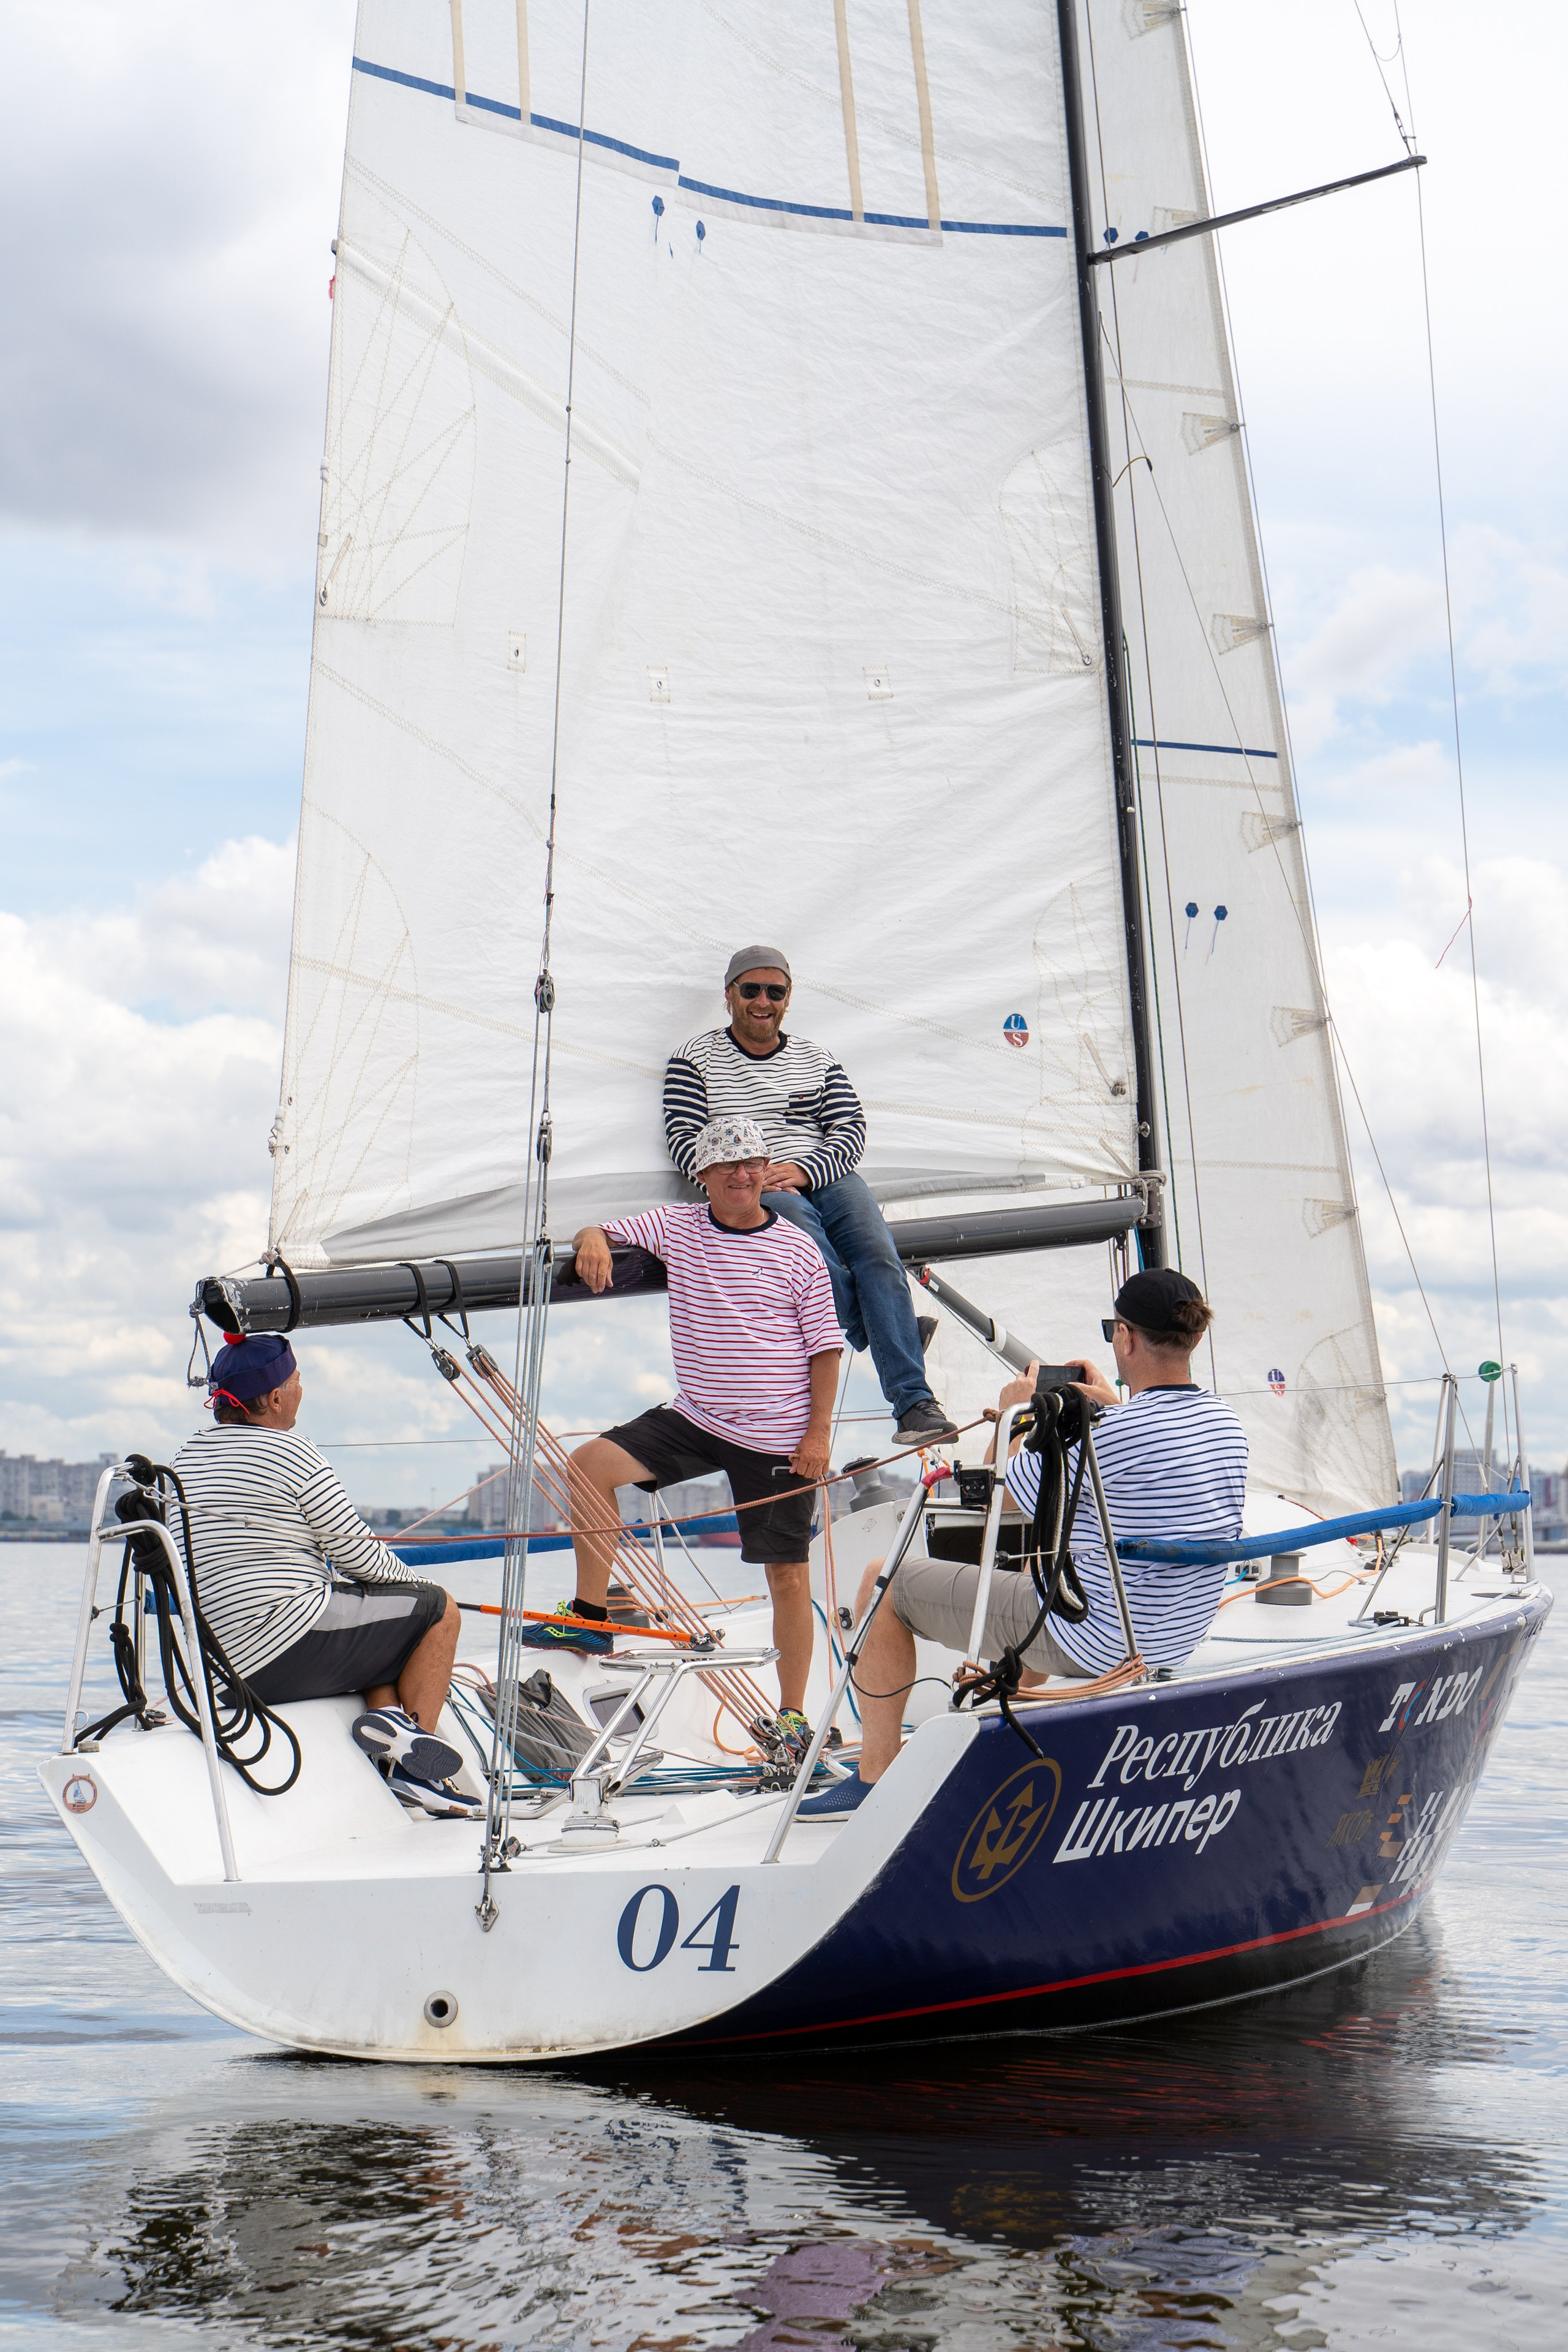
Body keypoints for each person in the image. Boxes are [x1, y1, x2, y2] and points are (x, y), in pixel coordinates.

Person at [799, 1268, 1248, 1814]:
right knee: (1037, 1580)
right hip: (1175, 1634)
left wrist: (1012, 1412)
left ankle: (873, 1779)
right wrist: (1107, 1403)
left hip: (1102, 1641)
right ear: (1193, 1338)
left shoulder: (1113, 1433)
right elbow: (1147, 1452)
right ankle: (998, 1745)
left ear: (1125, 1338)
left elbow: (996, 1498)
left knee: (883, 1581)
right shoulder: (1225, 1423)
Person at [534, 1115, 843, 1760]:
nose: (741, 1173)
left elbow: (825, 1350)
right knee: (589, 1464)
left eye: (752, 1162)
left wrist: (817, 1436)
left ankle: (792, 1715)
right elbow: (607, 1229)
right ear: (701, 1177)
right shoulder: (677, 1227)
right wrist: (589, 1237)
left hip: (779, 1437)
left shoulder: (796, 1250)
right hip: (699, 1417)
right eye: (727, 1165)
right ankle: (592, 1616)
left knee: (787, 1576)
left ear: (765, 1171)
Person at [171, 1333, 480, 1818]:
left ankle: (391, 1727)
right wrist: (419, 1594)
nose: (300, 1390)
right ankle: (417, 1775)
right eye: (297, 1382)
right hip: (284, 1646)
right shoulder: (292, 1453)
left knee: (377, 1632)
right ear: (275, 1398)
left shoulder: (186, 1459)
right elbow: (362, 1559)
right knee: (437, 1611)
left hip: (222, 1673)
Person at [664, 946, 957, 1448]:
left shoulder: (815, 1059)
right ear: (729, 994)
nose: (762, 1001)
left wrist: (803, 1169)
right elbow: (684, 1140)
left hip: (823, 1174)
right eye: (751, 989)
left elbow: (851, 1129)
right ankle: (890, 1329)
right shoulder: (693, 1060)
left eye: (774, 992)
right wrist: (748, 1179)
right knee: (814, 1264)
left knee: (880, 1260)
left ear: (788, 998)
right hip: (753, 1184)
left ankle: (914, 1405)